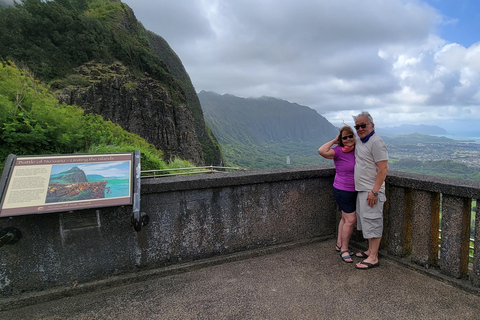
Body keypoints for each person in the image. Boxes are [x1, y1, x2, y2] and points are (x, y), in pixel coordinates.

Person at [352, 111, 388, 270]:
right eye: (357, 126)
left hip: (371, 191)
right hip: (362, 190)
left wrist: (374, 191)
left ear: (372, 125)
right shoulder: (360, 142)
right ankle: (369, 250)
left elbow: (383, 168)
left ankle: (373, 257)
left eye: (363, 125)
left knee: (373, 222)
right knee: (367, 222)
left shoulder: (376, 142)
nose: (360, 128)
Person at [318, 126, 357, 263]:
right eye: (344, 137)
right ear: (341, 139)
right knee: (351, 219)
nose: (348, 139)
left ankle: (339, 244)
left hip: (355, 189)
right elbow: (321, 151)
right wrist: (335, 140)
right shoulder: (338, 151)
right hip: (342, 189)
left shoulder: (357, 151)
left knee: (345, 218)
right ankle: (344, 249)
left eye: (350, 136)